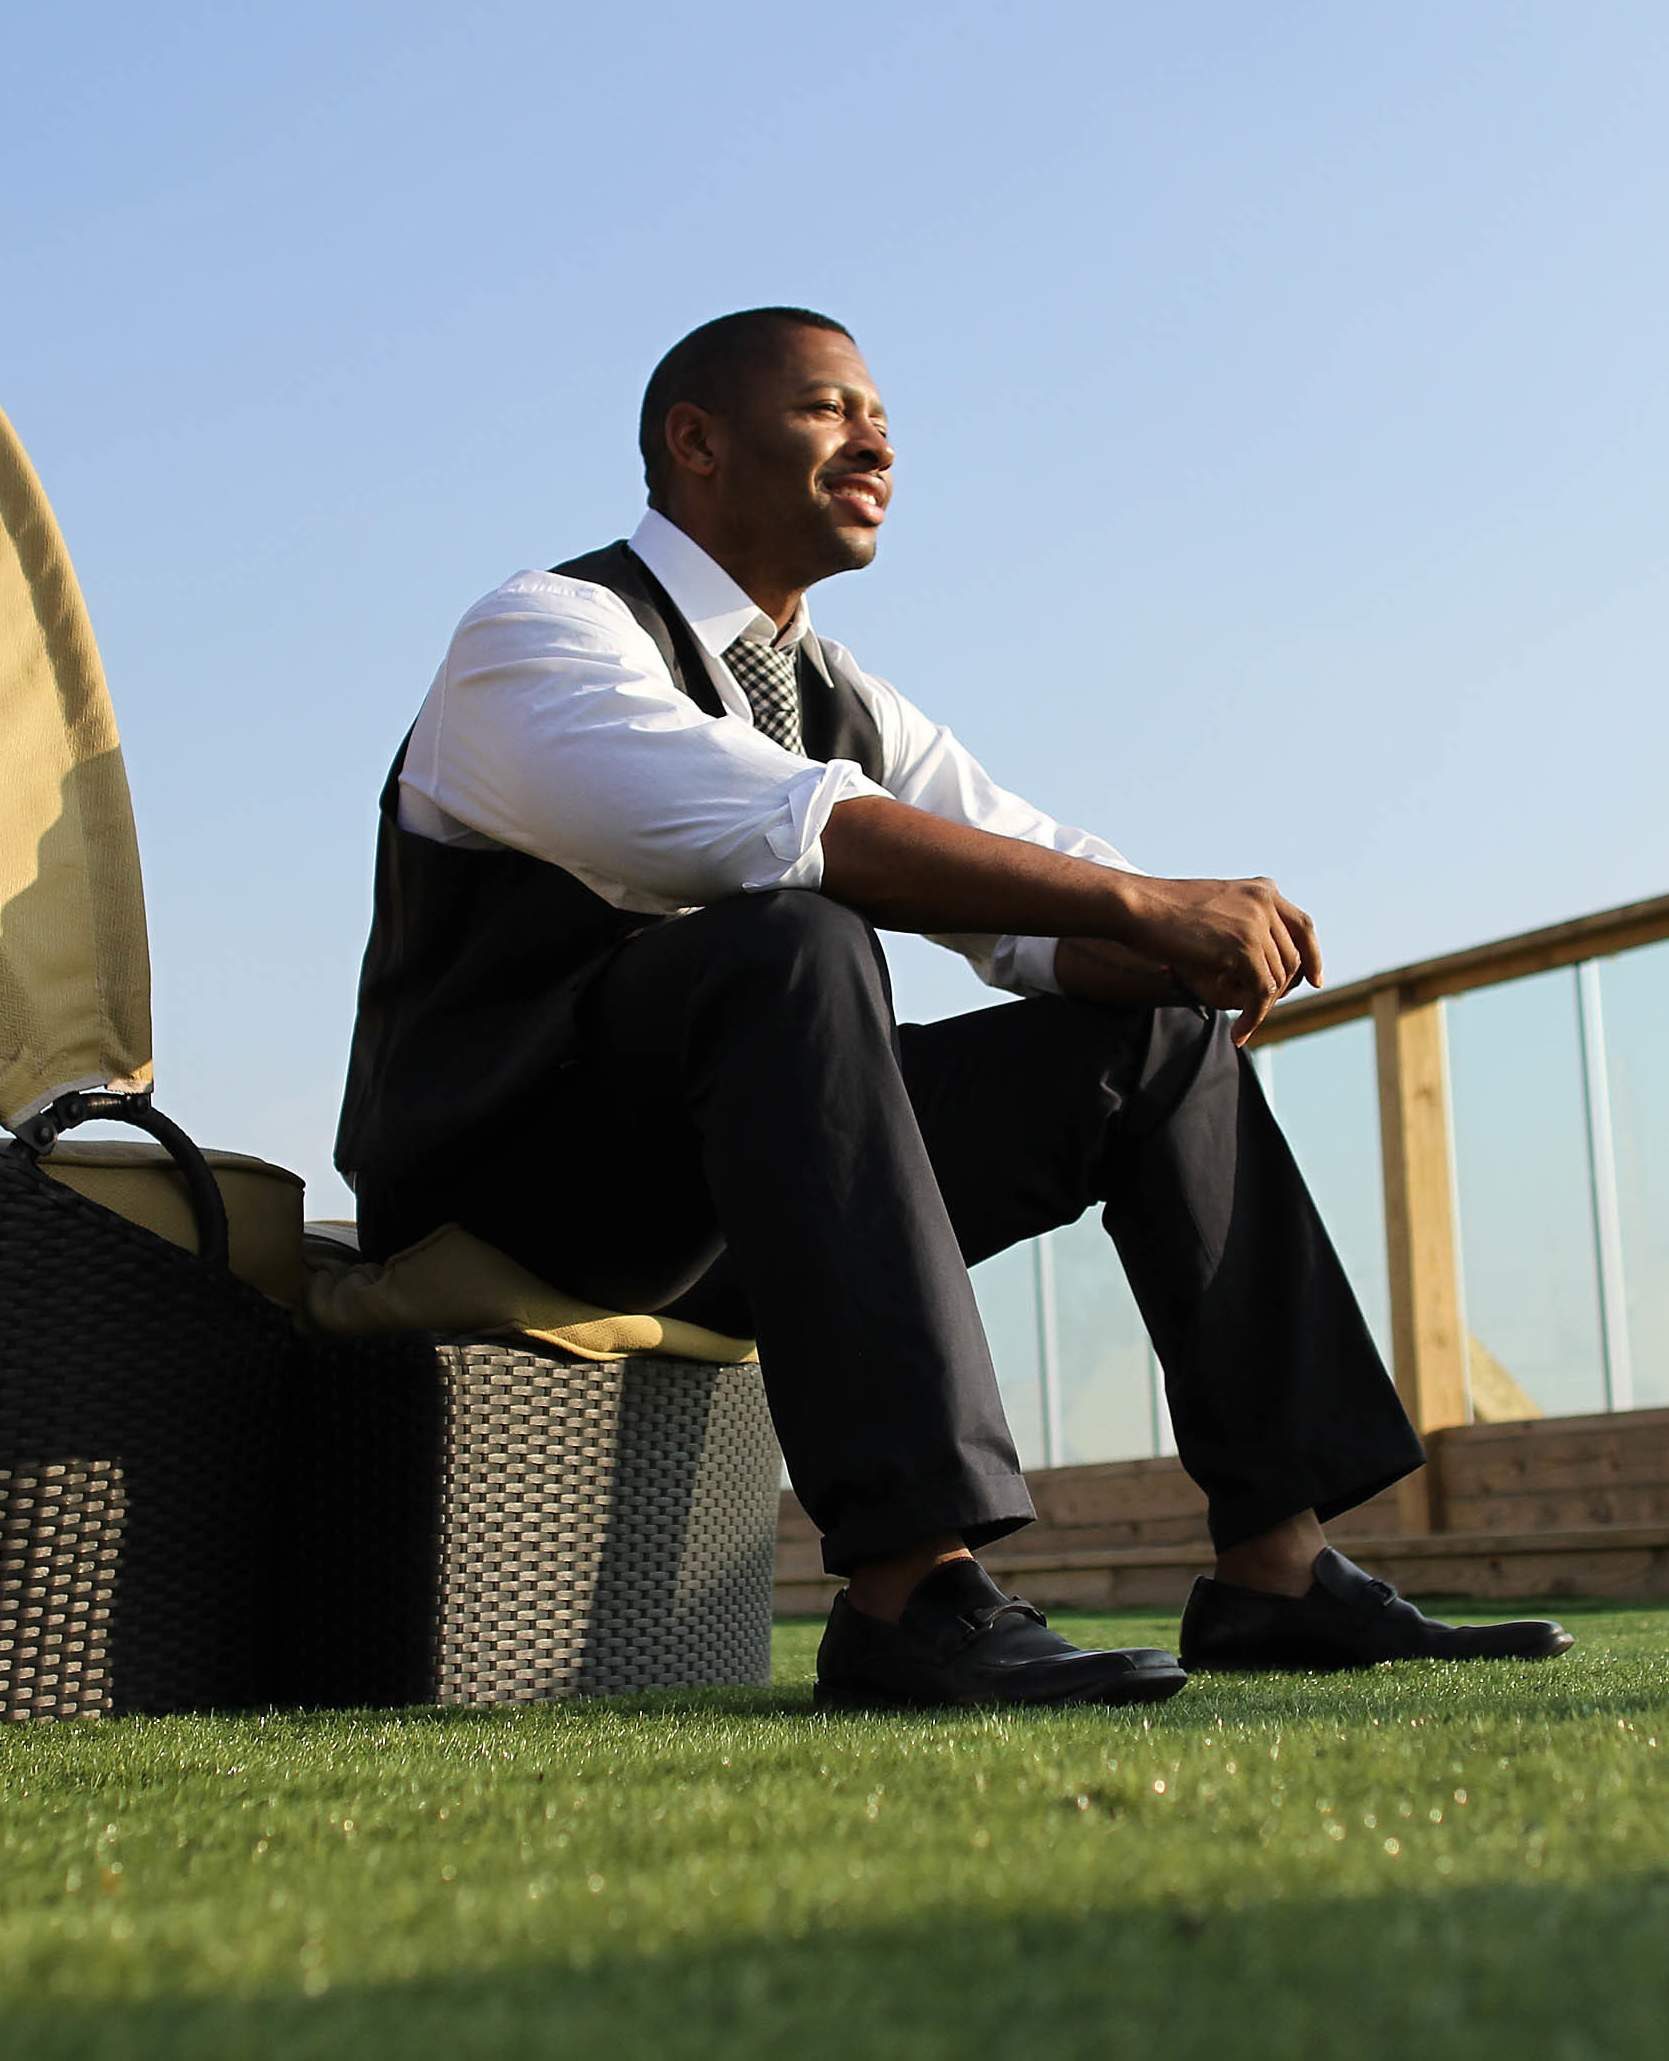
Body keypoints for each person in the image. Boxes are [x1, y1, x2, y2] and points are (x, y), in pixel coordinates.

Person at [337, 307, 1571, 1708]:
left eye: (882, 418)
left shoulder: (844, 697)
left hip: (729, 1207)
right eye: (828, 409)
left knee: (1151, 1041)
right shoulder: (539, 635)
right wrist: (1138, 906)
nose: (877, 442)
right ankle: (909, 1594)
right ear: (696, 441)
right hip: (515, 1182)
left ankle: (1276, 1570)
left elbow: (1028, 905)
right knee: (792, 941)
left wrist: (1176, 949)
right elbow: (794, 831)